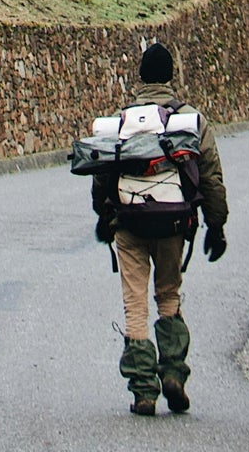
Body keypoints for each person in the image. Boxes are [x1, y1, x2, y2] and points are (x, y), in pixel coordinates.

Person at [90, 42, 228, 416]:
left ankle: (144, 392)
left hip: (129, 223)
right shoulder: (190, 121)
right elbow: (211, 177)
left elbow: (102, 174)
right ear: (170, 76)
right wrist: (217, 226)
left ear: (140, 77)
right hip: (174, 222)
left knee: (134, 304)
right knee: (168, 295)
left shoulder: (120, 122)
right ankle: (173, 375)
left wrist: (103, 217)